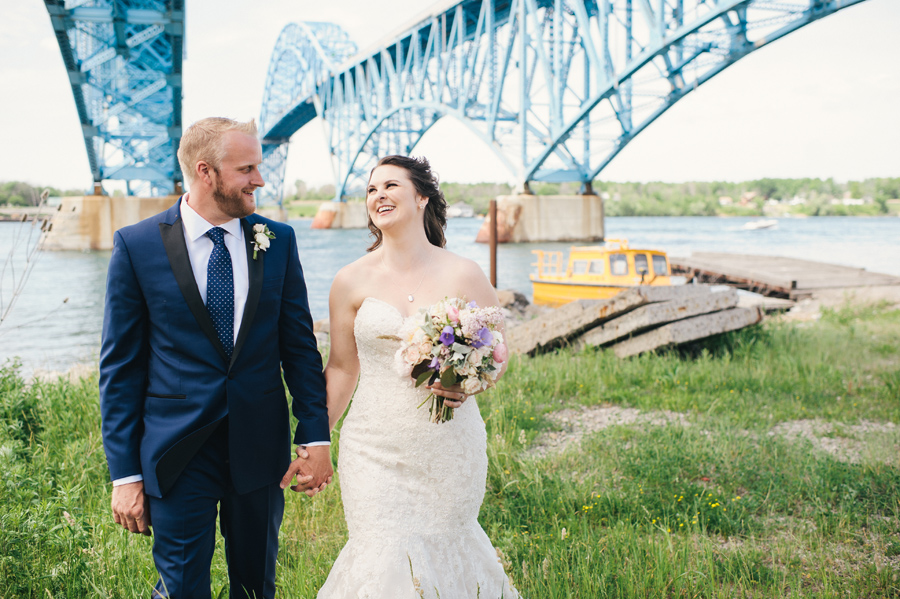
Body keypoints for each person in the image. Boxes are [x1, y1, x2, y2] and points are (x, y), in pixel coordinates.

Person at [99, 117, 332, 599]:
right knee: (183, 588)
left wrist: (315, 434)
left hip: (260, 447)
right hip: (177, 452)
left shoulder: (278, 240)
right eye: (247, 168)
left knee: (254, 586)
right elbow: (120, 370)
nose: (260, 180)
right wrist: (125, 475)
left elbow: (298, 348)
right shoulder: (137, 246)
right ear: (206, 172)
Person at [305, 155, 520, 598]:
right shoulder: (349, 281)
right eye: (371, 190)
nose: (378, 195)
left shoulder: (464, 272)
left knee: (447, 546)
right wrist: (315, 440)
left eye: (390, 186)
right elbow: (343, 368)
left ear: (421, 197)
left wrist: (468, 384)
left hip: (448, 446)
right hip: (373, 446)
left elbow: (497, 353)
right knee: (382, 552)